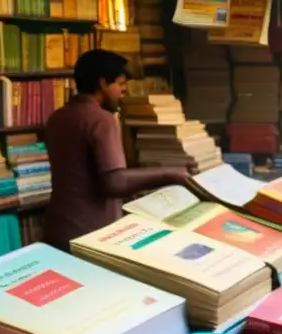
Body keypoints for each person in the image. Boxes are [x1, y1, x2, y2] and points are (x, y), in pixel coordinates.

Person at [44, 49, 189, 251]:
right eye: (120, 84)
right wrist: (171, 174)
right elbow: (115, 183)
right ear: (103, 84)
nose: (124, 91)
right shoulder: (101, 120)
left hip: (58, 229)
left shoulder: (57, 118)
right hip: (92, 233)